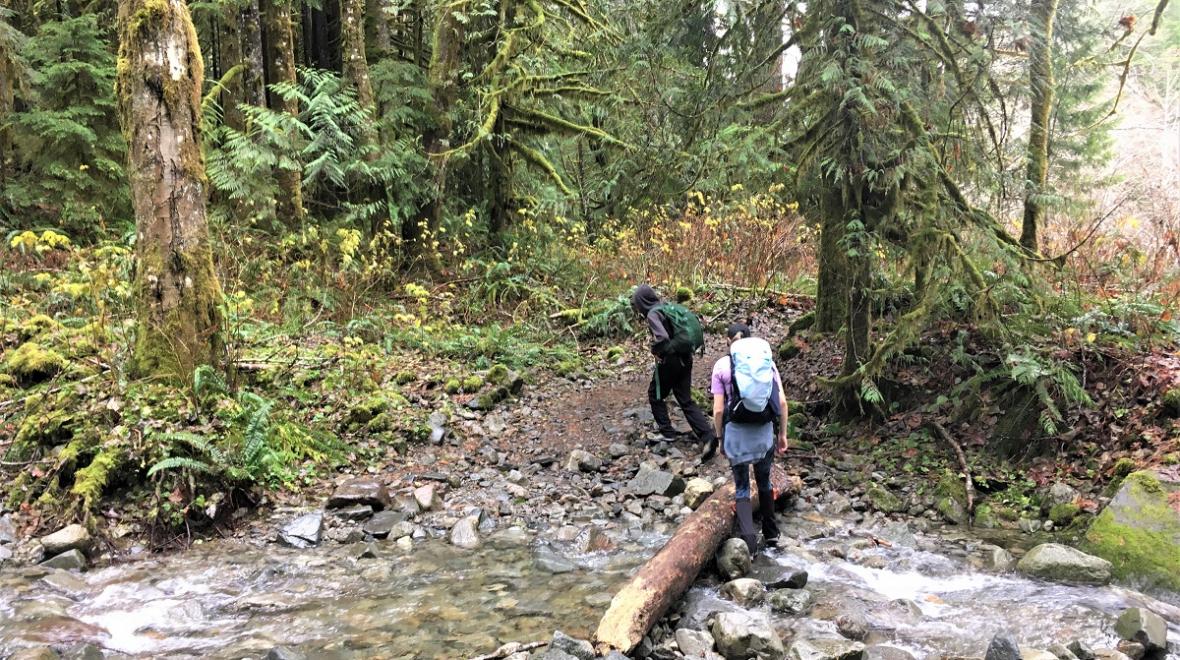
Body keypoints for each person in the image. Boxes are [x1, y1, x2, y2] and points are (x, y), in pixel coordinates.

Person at [711, 321, 788, 553]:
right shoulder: (768, 364)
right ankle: (772, 534)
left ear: (729, 341)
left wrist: (719, 437)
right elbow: (782, 402)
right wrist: (782, 434)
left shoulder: (721, 366)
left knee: (742, 486)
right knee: (764, 481)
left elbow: (718, 410)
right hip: (764, 432)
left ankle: (750, 543)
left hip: (735, 433)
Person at [630, 284, 719, 461]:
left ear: (642, 302)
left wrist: (656, 349)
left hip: (671, 360)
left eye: (637, 303)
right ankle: (708, 436)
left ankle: (668, 433)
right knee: (685, 399)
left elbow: (662, 337)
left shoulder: (653, 314)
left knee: (655, 394)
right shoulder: (666, 308)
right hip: (686, 357)